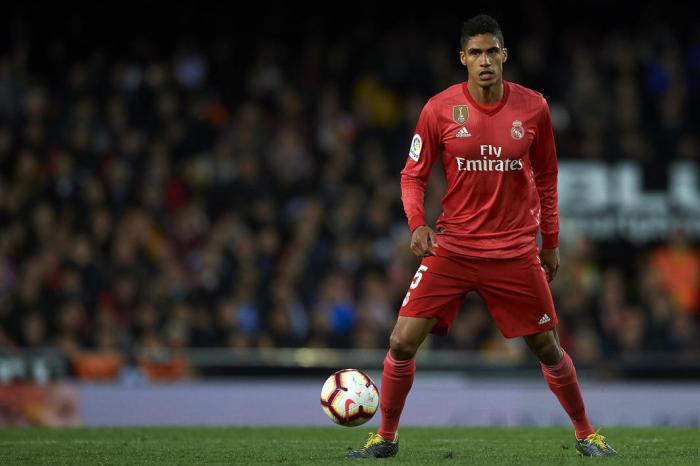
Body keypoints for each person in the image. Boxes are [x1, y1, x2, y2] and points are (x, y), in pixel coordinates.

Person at [347, 14, 617, 458]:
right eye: (476, 53)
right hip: (452, 247)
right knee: (401, 341)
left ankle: (587, 434)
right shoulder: (438, 109)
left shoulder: (534, 107)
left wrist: (550, 242)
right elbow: (412, 175)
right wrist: (417, 223)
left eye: (492, 51)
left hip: (513, 249)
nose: (485, 60)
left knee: (548, 347)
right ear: (463, 59)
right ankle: (386, 437)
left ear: (504, 55)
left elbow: (547, 178)